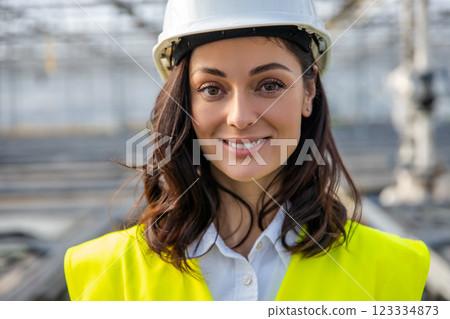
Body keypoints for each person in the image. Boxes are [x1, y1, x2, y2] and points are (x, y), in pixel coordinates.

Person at [64, 0, 430, 301]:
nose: (240, 117)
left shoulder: (393, 267)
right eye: (211, 89)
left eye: (269, 85)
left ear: (309, 91)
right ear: (184, 101)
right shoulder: (101, 273)